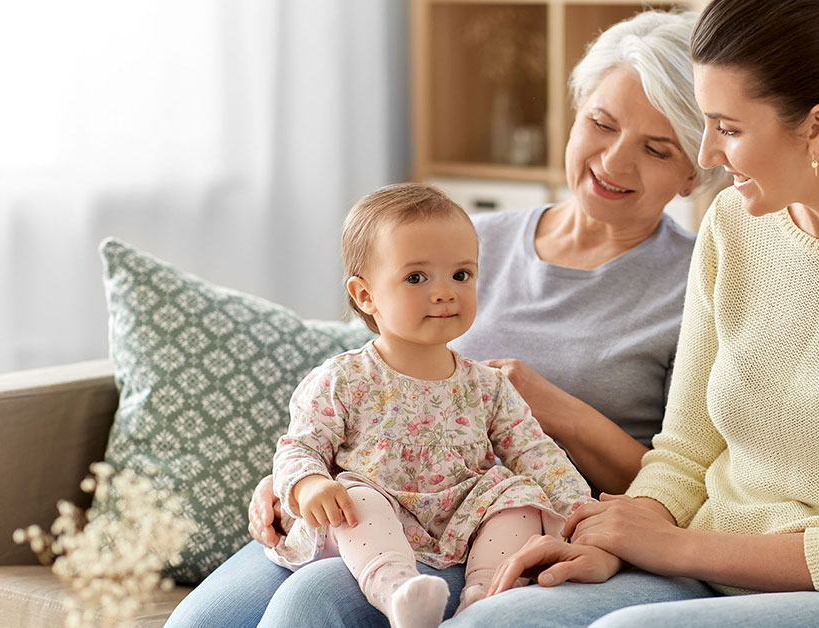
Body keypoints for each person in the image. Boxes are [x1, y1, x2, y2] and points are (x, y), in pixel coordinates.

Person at [451, 1, 819, 627]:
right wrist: (618, 535)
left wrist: (674, 546)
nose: (706, 153)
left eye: (727, 128)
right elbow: (684, 452)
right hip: (709, 575)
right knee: (501, 619)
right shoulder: (734, 225)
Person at [164, 10, 718, 628]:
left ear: (695, 168)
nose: (614, 161)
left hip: (505, 522)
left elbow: (686, 476)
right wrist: (295, 480)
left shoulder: (700, 282)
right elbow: (358, 381)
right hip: (374, 507)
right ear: (576, 111)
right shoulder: (466, 240)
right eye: (602, 124)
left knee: (314, 602)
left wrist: (545, 403)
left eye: (656, 148)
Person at [263, 183, 592, 627]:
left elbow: (536, 453)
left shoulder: (488, 386)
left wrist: (580, 512)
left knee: (520, 498)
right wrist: (308, 486)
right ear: (365, 295)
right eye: (417, 277)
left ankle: (484, 597)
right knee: (358, 496)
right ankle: (399, 593)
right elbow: (298, 447)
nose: (445, 292)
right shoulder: (342, 379)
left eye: (461, 275)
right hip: (375, 520)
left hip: (463, 518)